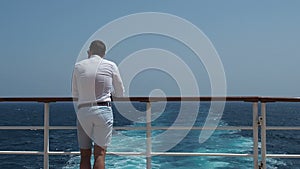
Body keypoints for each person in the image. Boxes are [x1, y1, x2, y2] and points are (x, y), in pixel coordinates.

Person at [72, 40, 124, 169]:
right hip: (103, 110)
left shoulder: (78, 66)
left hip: (83, 111)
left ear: (89, 52)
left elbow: (75, 93)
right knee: (100, 154)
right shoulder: (111, 65)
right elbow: (120, 92)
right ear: (104, 53)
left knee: (84, 155)